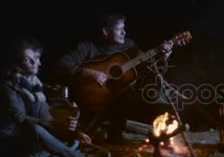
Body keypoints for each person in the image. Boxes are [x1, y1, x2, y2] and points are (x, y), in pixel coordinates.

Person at [56, 10, 174, 144]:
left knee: (130, 92)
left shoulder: (129, 46)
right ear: (106, 31)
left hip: (116, 97)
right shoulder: (88, 47)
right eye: (119, 29)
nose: (124, 33)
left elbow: (152, 72)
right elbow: (62, 64)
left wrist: (163, 58)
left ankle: (116, 135)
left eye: (124, 28)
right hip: (88, 97)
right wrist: (91, 73)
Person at [0, 36, 90, 157]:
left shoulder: (35, 84)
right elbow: (21, 119)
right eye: (28, 60)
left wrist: (67, 125)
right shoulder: (6, 86)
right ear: (16, 64)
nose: (37, 63)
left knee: (74, 140)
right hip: (8, 138)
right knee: (38, 130)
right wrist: (53, 125)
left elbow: (46, 112)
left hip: (31, 136)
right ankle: (67, 155)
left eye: (37, 58)